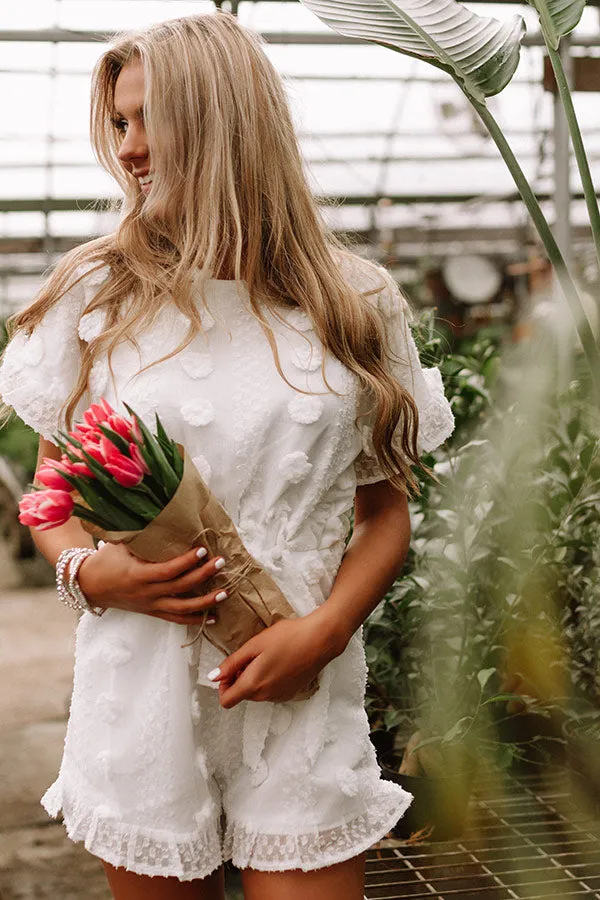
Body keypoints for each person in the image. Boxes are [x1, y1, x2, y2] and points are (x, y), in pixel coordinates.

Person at [0, 12, 454, 900]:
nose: (127, 150)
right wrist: (92, 575)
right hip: (143, 684)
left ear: (225, 120)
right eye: (118, 125)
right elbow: (52, 493)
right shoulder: (96, 294)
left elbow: (384, 509)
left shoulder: (355, 300)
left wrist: (324, 634)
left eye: (146, 120)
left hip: (301, 686)